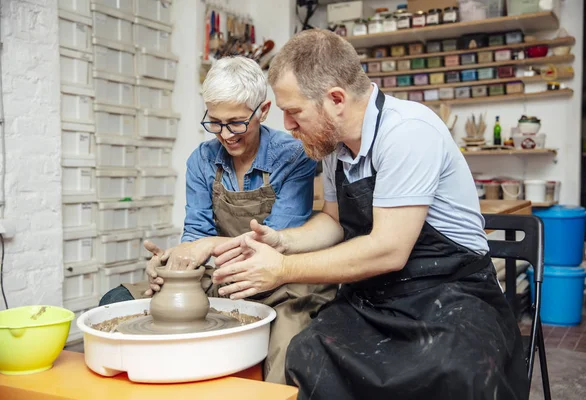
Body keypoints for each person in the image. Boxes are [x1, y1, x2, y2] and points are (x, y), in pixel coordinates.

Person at [211, 30, 529, 399]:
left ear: (335, 100)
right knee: (307, 351)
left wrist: (281, 270)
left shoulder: (408, 132)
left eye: (294, 112)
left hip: (452, 293)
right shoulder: (332, 145)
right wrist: (283, 241)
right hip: (377, 296)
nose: (287, 126)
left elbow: (389, 249)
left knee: (451, 369)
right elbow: (332, 221)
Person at [98, 56, 338, 384]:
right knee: (116, 303)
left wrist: (207, 245)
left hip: (282, 279)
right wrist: (169, 264)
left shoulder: (294, 154)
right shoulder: (202, 159)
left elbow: (277, 240)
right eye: (215, 121)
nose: (225, 134)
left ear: (263, 111)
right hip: (223, 275)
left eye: (236, 122)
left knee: (285, 354)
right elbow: (196, 233)